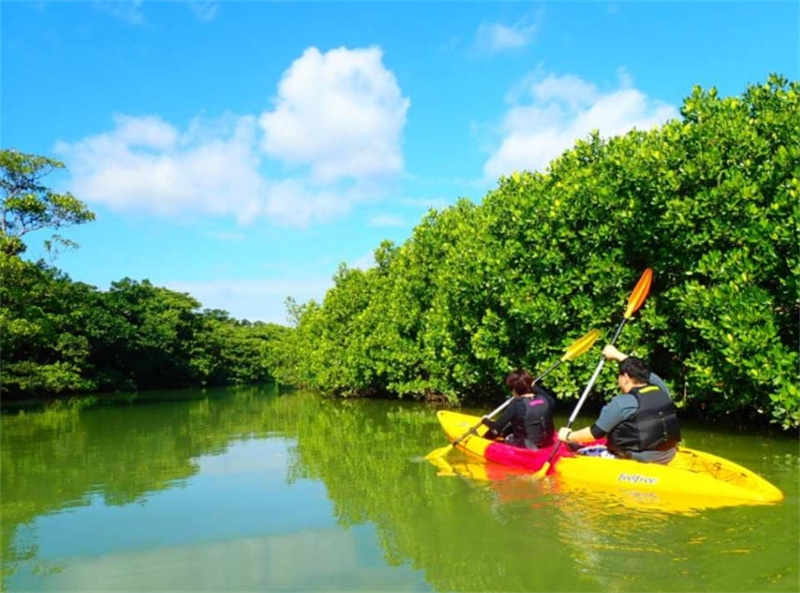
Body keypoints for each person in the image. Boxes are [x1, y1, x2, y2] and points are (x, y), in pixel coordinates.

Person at [557, 345, 681, 464]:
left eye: (619, 376)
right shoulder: (662, 390)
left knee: (578, 451)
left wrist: (568, 436)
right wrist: (617, 355)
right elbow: (650, 376)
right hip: (668, 454)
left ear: (625, 377)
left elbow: (595, 433)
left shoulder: (622, 403)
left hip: (637, 459)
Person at [481, 369, 557, 450]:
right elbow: (551, 400)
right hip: (547, 443)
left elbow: (497, 426)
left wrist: (485, 420)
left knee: (503, 430)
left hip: (528, 447)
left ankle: (482, 441)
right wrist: (534, 386)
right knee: (512, 424)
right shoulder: (546, 399)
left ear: (514, 389)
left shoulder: (517, 404)